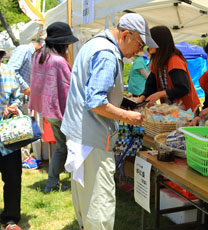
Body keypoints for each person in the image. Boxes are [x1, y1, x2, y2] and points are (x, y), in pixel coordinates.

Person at [60, 13, 156, 229]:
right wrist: (129, 116)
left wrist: (120, 104)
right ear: (125, 35)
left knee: (87, 202)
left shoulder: (94, 44)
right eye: (140, 45)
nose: (139, 52)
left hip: (81, 135)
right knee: (99, 206)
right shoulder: (107, 53)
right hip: (92, 139)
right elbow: (96, 102)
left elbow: (92, 92)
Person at [29, 22, 79, 193]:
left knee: (61, 146)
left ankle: (52, 183)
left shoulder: (39, 56)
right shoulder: (58, 61)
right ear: (62, 44)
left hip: (48, 110)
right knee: (69, 147)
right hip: (60, 111)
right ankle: (59, 184)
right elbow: (70, 89)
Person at [137, 26, 200, 111]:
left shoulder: (175, 61)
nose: (148, 45)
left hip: (187, 112)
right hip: (172, 111)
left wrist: (161, 94)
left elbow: (183, 88)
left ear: (159, 42)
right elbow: (151, 86)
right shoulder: (156, 63)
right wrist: (143, 97)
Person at [0, 64, 23, 230]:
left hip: (8, 136)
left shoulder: (7, 71)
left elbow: (17, 97)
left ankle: (10, 218)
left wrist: (15, 106)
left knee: (13, 177)